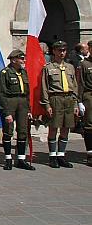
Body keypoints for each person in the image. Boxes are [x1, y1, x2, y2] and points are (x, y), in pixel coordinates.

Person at [39, 40, 79, 168]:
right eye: (59, 50)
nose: (62, 53)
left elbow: (75, 86)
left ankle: (61, 155)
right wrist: (46, 105)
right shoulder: (48, 67)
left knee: (66, 127)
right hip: (55, 99)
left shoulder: (70, 67)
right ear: (54, 51)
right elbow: (44, 87)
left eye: (64, 50)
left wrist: (76, 103)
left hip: (68, 99)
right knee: (53, 127)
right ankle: (52, 156)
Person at [0, 49, 35, 170]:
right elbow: (1, 93)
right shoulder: (5, 73)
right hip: (10, 102)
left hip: (22, 103)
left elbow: (27, 92)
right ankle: (8, 158)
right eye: (21, 58)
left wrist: (28, 109)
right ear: (13, 60)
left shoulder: (23, 72)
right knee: (8, 131)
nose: (24, 61)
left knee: (22, 131)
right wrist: (6, 112)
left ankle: (21, 159)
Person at [79, 52, 92, 166]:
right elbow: (81, 83)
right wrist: (79, 101)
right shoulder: (84, 64)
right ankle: (90, 153)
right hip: (89, 96)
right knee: (89, 125)